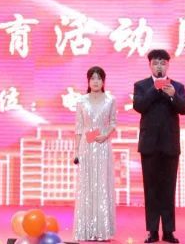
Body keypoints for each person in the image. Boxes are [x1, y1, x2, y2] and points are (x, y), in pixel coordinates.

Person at [132, 49, 185, 243]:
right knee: (151, 189)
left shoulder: (177, 86)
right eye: (156, 63)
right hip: (149, 145)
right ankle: (152, 231)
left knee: (168, 189)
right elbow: (139, 106)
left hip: (170, 144)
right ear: (150, 65)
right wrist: (154, 89)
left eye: (163, 63)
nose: (159, 66)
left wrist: (173, 96)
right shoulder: (141, 86)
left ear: (168, 65)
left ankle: (169, 231)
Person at [74, 66, 117, 242]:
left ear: (103, 81)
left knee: (102, 185)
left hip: (102, 146)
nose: (96, 81)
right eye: (92, 78)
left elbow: (113, 123)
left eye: (99, 78)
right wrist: (76, 151)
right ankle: (86, 230)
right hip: (86, 146)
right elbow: (79, 128)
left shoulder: (110, 100)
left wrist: (105, 135)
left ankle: (102, 230)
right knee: (87, 187)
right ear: (88, 81)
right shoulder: (81, 101)